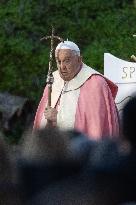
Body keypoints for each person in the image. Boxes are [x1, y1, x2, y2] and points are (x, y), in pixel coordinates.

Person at [33, 40, 119, 140]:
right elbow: (42, 120)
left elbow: (95, 126)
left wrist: (59, 118)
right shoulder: (53, 80)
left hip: (81, 149)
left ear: (79, 59)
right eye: (58, 61)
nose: (62, 67)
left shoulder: (96, 84)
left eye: (67, 60)